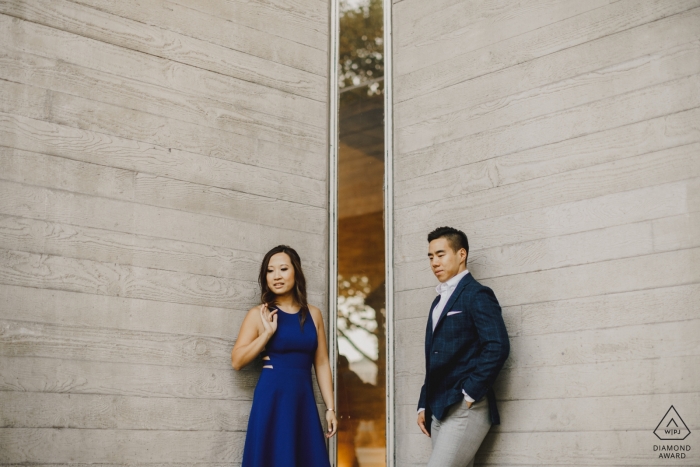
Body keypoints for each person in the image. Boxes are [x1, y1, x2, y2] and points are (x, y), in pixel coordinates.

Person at [232, 245, 337, 467]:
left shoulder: (314, 314)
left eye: (283, 269)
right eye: (270, 271)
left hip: (302, 400)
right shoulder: (259, 314)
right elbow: (237, 361)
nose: (276, 276)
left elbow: (322, 362)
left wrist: (330, 408)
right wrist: (266, 335)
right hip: (272, 398)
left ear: (296, 272)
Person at [416, 227, 510, 467]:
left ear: (461, 254)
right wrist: (423, 402)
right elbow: (435, 357)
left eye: (440, 254)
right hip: (437, 408)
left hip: (464, 406)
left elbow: (497, 345)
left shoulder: (477, 294)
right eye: (430, 257)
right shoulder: (438, 301)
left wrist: (470, 394)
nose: (434, 262)